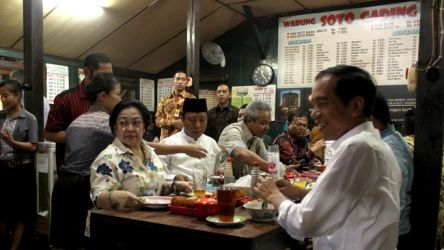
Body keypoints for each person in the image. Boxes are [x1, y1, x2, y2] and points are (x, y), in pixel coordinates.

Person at [255, 65, 402, 249]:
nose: (314, 114)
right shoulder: (374, 145)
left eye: (322, 104)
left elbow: (304, 224)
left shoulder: (357, 148)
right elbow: (351, 199)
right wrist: (299, 192)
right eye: (313, 105)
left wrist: (274, 195)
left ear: (355, 106)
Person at [49, 73, 121, 249]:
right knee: (85, 241)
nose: (120, 99)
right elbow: (137, 145)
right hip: (83, 188)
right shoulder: (107, 123)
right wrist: (183, 148)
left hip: (62, 186)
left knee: (64, 241)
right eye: (118, 94)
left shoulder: (76, 121)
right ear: (103, 95)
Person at [90, 100, 192, 210]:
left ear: (144, 127)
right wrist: (114, 197)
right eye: (123, 123)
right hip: (122, 222)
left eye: (136, 123)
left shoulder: (150, 152)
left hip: (154, 219)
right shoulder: (107, 158)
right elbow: (98, 198)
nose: (130, 129)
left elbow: (155, 187)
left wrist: (175, 186)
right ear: (115, 128)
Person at [45, 52, 113, 170]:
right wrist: (82, 135)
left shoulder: (110, 98)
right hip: (76, 171)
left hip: (106, 169)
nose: (107, 80)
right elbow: (49, 134)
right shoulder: (66, 98)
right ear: (86, 72)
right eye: (102, 75)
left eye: (110, 76)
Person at [371, 93, 414, 249]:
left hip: (393, 236)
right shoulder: (388, 139)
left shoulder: (388, 147)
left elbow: (397, 199)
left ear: (370, 119)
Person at [0, 79, 38, 250]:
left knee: (20, 213)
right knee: (2, 212)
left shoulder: (29, 118)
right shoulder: (1, 117)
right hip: (2, 168)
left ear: (18, 95)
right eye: (1, 96)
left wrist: (11, 141)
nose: (3, 99)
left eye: (6, 95)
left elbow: (33, 146)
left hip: (21, 169)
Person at [159, 98, 222, 180]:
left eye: (202, 120)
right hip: (178, 191)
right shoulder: (168, 144)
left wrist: (220, 173)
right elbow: (158, 174)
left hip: (207, 191)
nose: (197, 125)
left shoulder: (212, 144)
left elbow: (217, 172)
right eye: (192, 120)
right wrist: (174, 178)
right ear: (182, 120)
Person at [218, 101, 271, 179]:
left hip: (243, 186)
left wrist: (283, 168)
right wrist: (273, 169)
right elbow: (241, 153)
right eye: (263, 123)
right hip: (224, 186)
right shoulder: (232, 131)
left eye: (268, 123)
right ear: (249, 121)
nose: (267, 128)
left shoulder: (257, 137)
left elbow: (267, 160)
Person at [155, 71, 195, 140]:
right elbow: (157, 121)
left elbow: (195, 121)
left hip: (184, 140)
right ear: (173, 81)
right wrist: (172, 122)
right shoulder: (164, 99)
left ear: (186, 82)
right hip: (165, 141)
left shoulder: (192, 99)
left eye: (183, 79)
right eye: (177, 79)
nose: (180, 82)